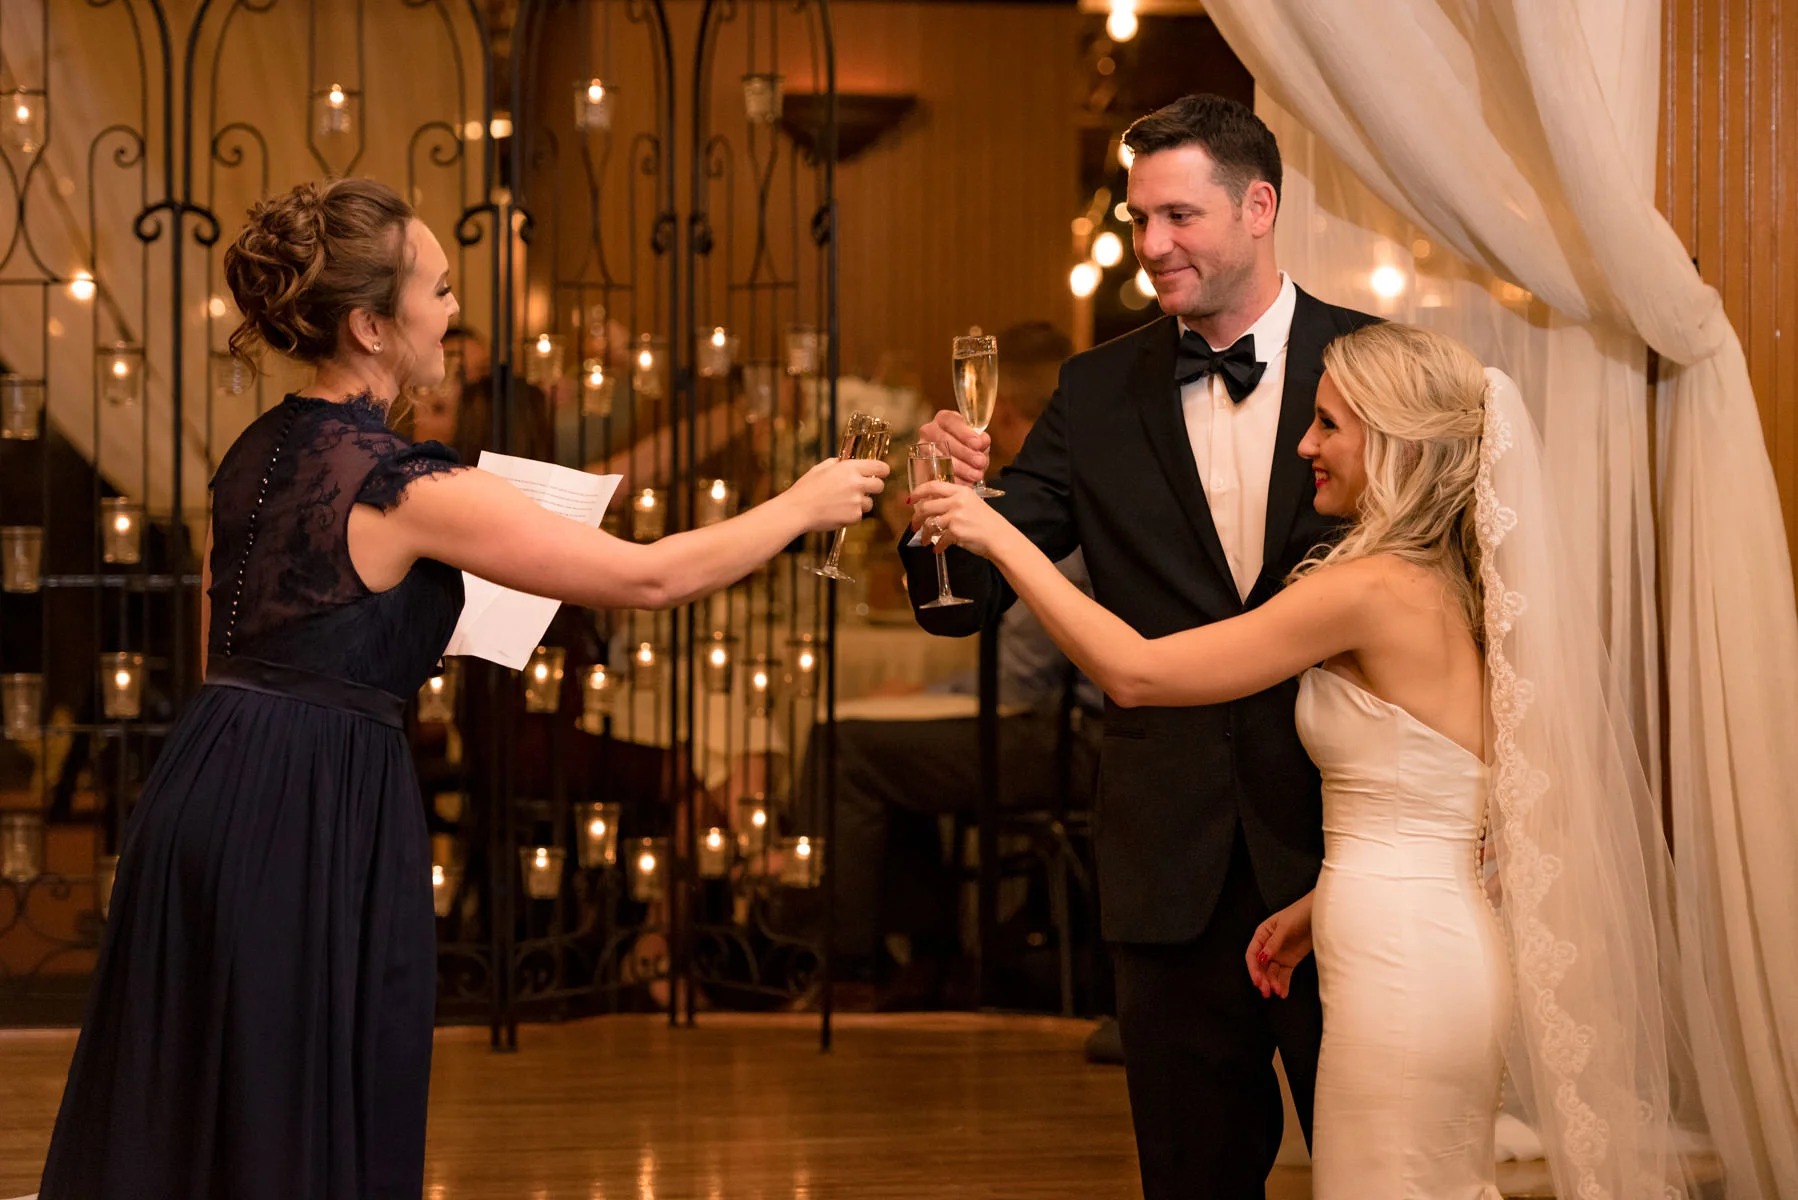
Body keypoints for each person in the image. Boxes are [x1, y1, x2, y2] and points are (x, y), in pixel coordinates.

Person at [36, 176, 886, 1200]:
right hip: (314, 798)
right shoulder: (406, 482)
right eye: (437, 290)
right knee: (295, 1109)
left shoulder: (250, 453)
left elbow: (236, 634)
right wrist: (801, 503)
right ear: (370, 326)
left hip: (203, 783)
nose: (451, 311)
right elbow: (651, 578)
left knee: (200, 1109)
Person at [913, 322, 1749, 1198]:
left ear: (1393, 444)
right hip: (1423, 943)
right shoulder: (1447, 583)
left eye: (1328, 425)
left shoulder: (1368, 590)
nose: (1305, 446)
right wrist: (1321, 907)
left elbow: (1137, 673)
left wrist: (997, 536)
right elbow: (1451, 804)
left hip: (1403, 972)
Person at [901, 93, 1377, 1196]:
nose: (1151, 244)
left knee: (1373, 1167)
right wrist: (938, 509)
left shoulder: (1375, 364)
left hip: (1342, 846)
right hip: (1167, 859)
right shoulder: (1096, 388)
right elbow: (964, 603)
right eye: (1138, 219)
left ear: (1258, 208)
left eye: (1179, 216)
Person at [796, 321, 1103, 1009]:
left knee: (848, 747)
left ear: (1008, 410)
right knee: (874, 741)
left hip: (1074, 740)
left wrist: (939, 691)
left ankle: (854, 970)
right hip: (1059, 724)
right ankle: (926, 956)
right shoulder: (1041, 489)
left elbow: (1024, 672)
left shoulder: (1059, 495)